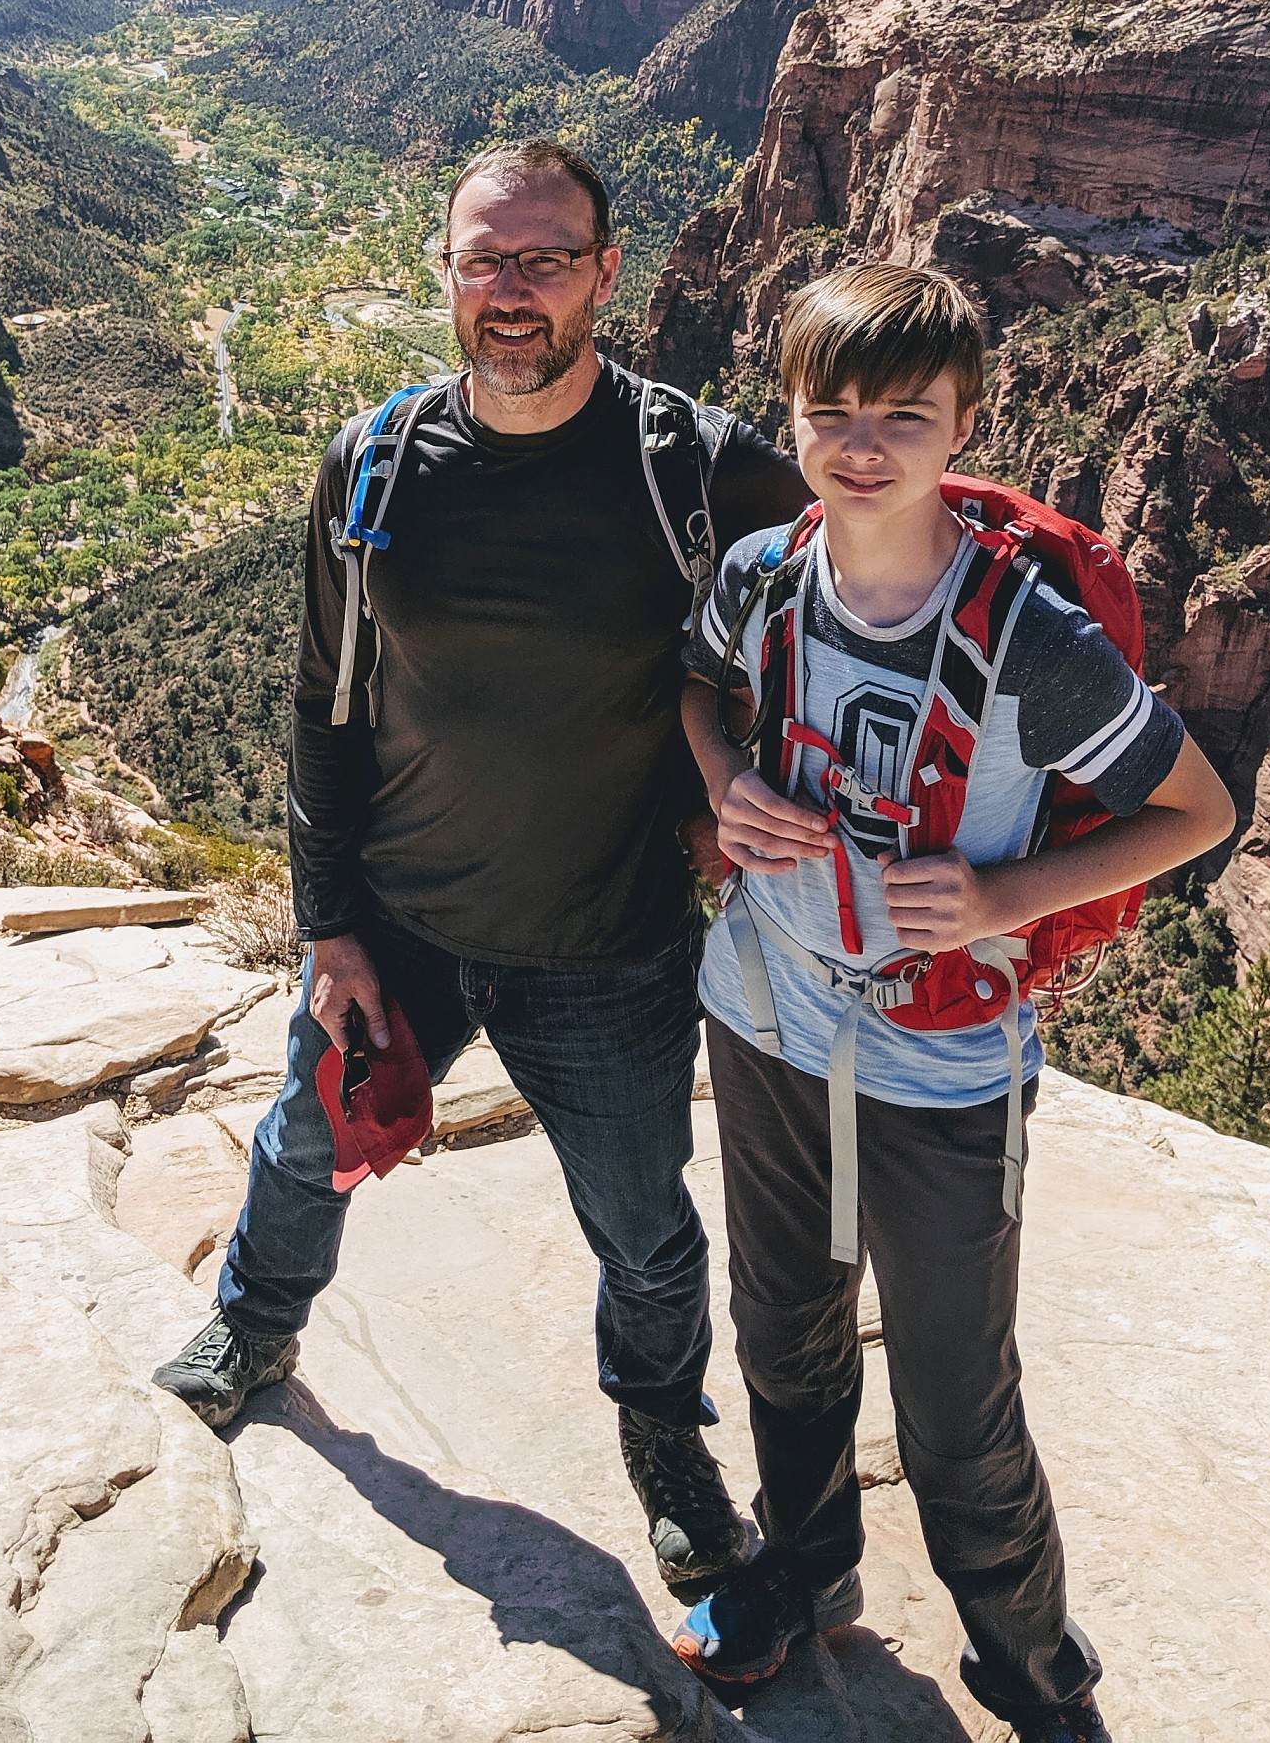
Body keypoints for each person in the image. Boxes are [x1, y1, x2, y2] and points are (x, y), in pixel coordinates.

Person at [154, 137, 809, 1595]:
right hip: (404, 920)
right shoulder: (375, 465)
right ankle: (257, 1325)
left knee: (644, 1231)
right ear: (444, 271)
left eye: (546, 259)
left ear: (605, 272)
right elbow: (324, 707)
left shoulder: (695, 470)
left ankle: (661, 1434)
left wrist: (741, 789)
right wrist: (329, 928)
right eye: (484, 259)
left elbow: (849, 599)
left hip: (610, 939)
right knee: (306, 1143)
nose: (513, 293)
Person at [670, 263, 1235, 1742]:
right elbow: (693, 691)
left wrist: (997, 903)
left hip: (940, 1065)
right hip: (766, 1010)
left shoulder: (1032, 636)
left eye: (904, 416)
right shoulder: (762, 574)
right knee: (783, 1329)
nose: (864, 445)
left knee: (955, 1406)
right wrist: (729, 786)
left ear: (967, 422)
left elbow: (1197, 810)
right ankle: (803, 1575)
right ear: (791, 414)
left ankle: (1035, 1676)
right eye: (832, 411)